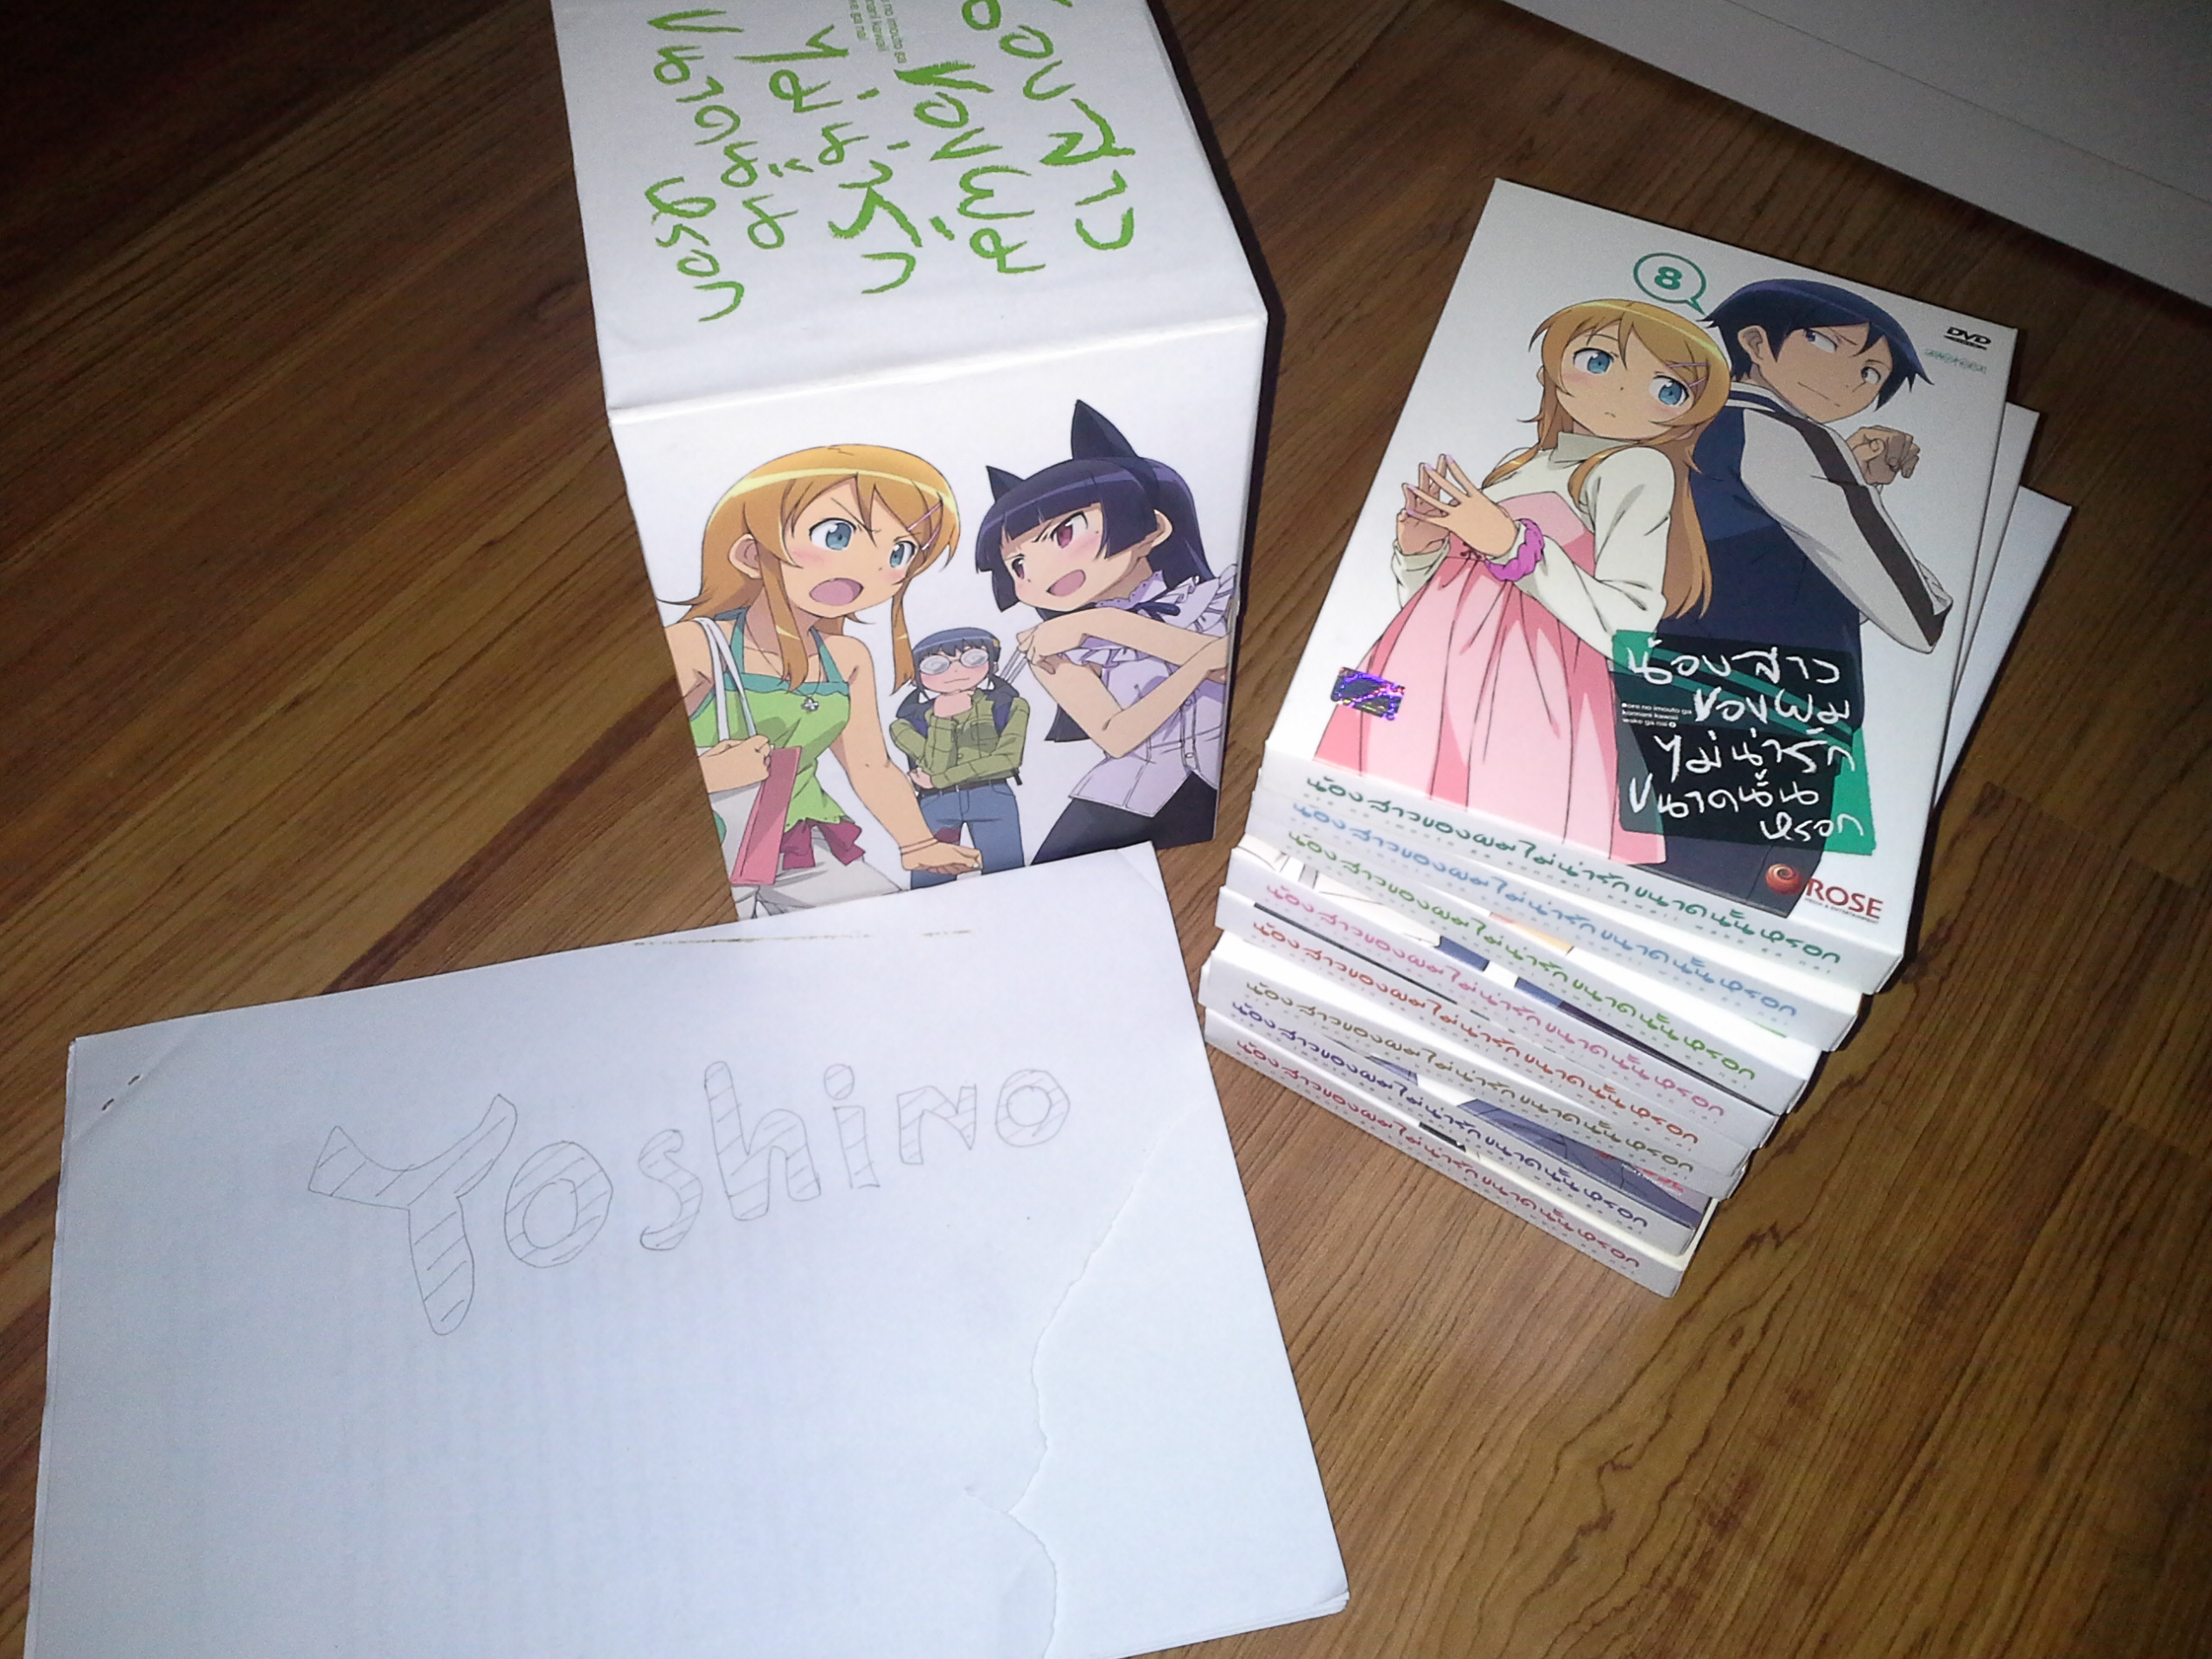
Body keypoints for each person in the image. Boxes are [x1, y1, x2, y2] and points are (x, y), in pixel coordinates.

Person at [1317, 299, 1732, 861]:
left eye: (1667, 389)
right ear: (1553, 368)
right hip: (1408, 661)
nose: (1620, 391)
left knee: (1475, 838)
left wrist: (1510, 544)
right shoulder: (1520, 463)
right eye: (1599, 361)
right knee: (1347, 778)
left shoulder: (1635, 468)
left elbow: (1630, 626)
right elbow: (1445, 601)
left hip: (1520, 686)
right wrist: (1417, 551)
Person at [1638, 278, 1949, 912]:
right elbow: (1919, 617)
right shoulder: (1784, 436)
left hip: (1672, 687)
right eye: (1826, 345)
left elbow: (1768, 571)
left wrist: (1856, 486)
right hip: (1770, 713)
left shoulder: (1687, 426)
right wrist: (1852, 490)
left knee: (1650, 881)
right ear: (1755, 343)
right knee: (1728, 908)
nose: (1850, 379)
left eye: (1871, 372)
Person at [663, 444, 980, 916]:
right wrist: (706, 773)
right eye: (836, 535)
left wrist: (917, 843)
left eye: (899, 552)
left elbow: (870, 766)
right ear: (751, 554)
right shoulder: (695, 645)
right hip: (701, 851)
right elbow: (626, 775)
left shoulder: (847, 658)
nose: (871, 567)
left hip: (797, 841)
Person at [975, 402, 1233, 861]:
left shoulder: (1213, 597)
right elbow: (1116, 736)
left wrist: (1100, 623)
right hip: (1129, 793)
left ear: (1153, 527)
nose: (1041, 571)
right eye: (1019, 564)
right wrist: (1195, 667)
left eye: (1065, 534)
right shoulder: (1052, 649)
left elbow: (1231, 660)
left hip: (1222, 779)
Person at [890, 626, 1030, 887]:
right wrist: (942, 720)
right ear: (916, 677)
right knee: (930, 886)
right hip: (936, 805)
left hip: (992, 797)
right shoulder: (905, 724)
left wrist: (940, 779)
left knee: (1008, 879)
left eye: (972, 658)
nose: (955, 670)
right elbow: (934, 766)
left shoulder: (1009, 705)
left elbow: (1008, 760)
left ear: (992, 664)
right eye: (936, 665)